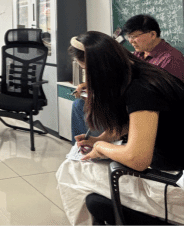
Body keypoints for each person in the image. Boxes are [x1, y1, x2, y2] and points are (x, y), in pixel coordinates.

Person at [56, 31, 184, 225]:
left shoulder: (141, 89)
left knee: (72, 172)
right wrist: (99, 139)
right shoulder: (140, 73)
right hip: (170, 163)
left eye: (87, 71)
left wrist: (101, 148)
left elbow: (137, 159)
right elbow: (133, 124)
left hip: (174, 180)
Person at [70, 14, 184, 141]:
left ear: (152, 34)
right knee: (80, 104)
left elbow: (159, 103)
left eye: (135, 36)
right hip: (134, 112)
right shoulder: (137, 56)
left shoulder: (171, 60)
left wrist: (99, 145)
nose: (131, 41)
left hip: (157, 125)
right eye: (129, 36)